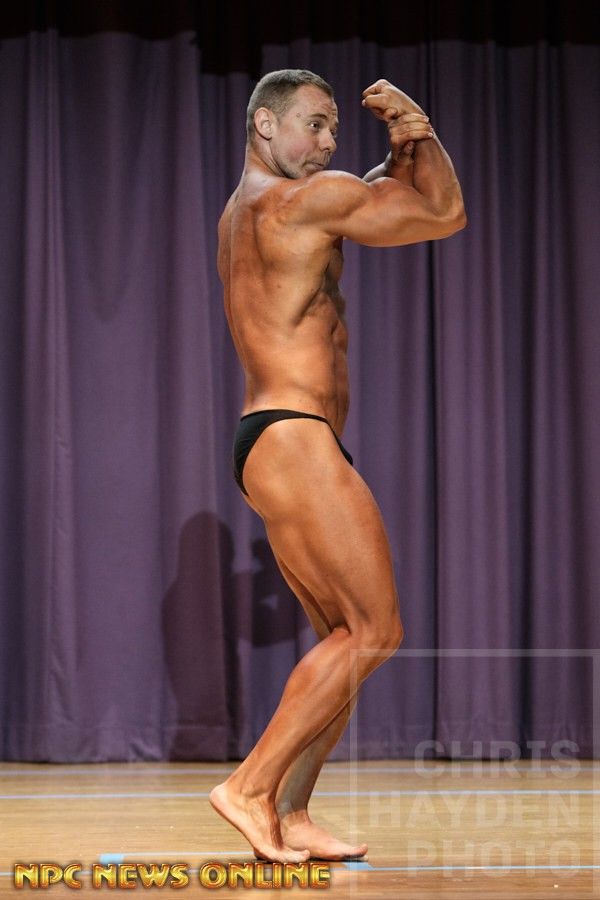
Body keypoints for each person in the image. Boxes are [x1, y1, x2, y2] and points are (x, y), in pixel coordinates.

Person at [210, 70, 466, 864]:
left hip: (269, 438)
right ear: (264, 125)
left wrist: (398, 155)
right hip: (295, 436)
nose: (326, 143)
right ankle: (250, 787)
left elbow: (380, 189)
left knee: (341, 639)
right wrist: (417, 131)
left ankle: (291, 813)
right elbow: (442, 213)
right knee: (377, 630)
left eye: (333, 130)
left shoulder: (243, 212)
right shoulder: (304, 202)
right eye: (313, 125)